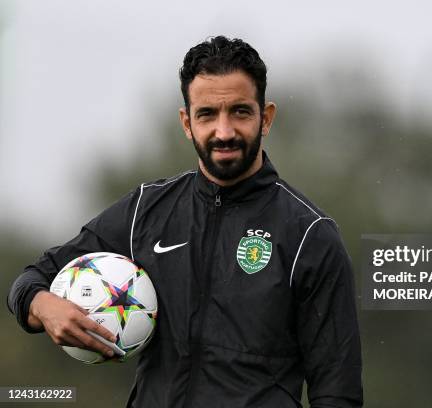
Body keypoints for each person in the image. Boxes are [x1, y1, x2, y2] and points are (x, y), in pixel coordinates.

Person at [7, 35, 363, 407]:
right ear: (187, 122)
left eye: (240, 112)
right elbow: (30, 280)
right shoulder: (146, 211)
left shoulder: (309, 235)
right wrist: (43, 307)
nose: (224, 132)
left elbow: (337, 393)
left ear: (266, 117)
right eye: (207, 114)